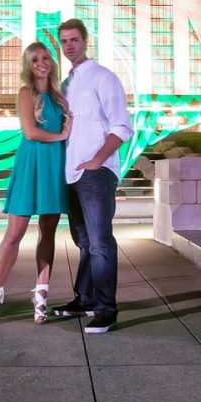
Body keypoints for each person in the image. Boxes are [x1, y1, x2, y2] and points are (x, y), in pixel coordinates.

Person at [0, 41, 72, 325]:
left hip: (55, 167)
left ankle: (41, 295)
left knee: (48, 232)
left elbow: (71, 124)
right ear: (28, 65)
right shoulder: (25, 93)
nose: (42, 62)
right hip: (31, 164)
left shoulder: (60, 98)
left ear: (52, 63)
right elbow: (30, 132)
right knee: (14, 234)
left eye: (46, 58)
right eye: (35, 59)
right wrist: (61, 136)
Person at [50, 18, 132, 333]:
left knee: (99, 242)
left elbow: (121, 126)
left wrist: (98, 160)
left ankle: (106, 310)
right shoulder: (66, 84)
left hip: (96, 174)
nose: (69, 46)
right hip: (71, 175)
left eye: (74, 40)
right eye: (64, 41)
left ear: (85, 41)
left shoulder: (103, 77)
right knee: (82, 241)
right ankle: (83, 300)